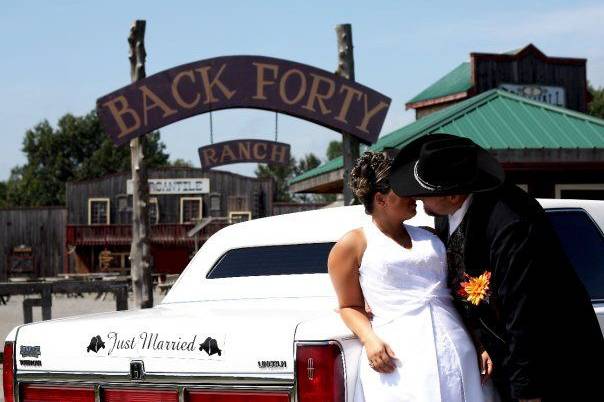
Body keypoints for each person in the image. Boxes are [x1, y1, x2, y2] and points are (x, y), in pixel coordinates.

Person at [388, 133, 604, 402]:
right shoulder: (447, 215)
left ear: (454, 195)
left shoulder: (512, 224)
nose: (418, 199)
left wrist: (527, 392)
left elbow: (524, 311)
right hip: (502, 356)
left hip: (557, 364)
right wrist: (479, 340)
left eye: (426, 194)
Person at [328, 152, 498, 402]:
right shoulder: (352, 245)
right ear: (380, 198)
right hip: (398, 355)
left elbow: (458, 295)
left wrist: (480, 343)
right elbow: (348, 305)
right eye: (404, 189)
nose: (414, 195)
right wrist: (370, 339)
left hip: (455, 345)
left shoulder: (430, 235)